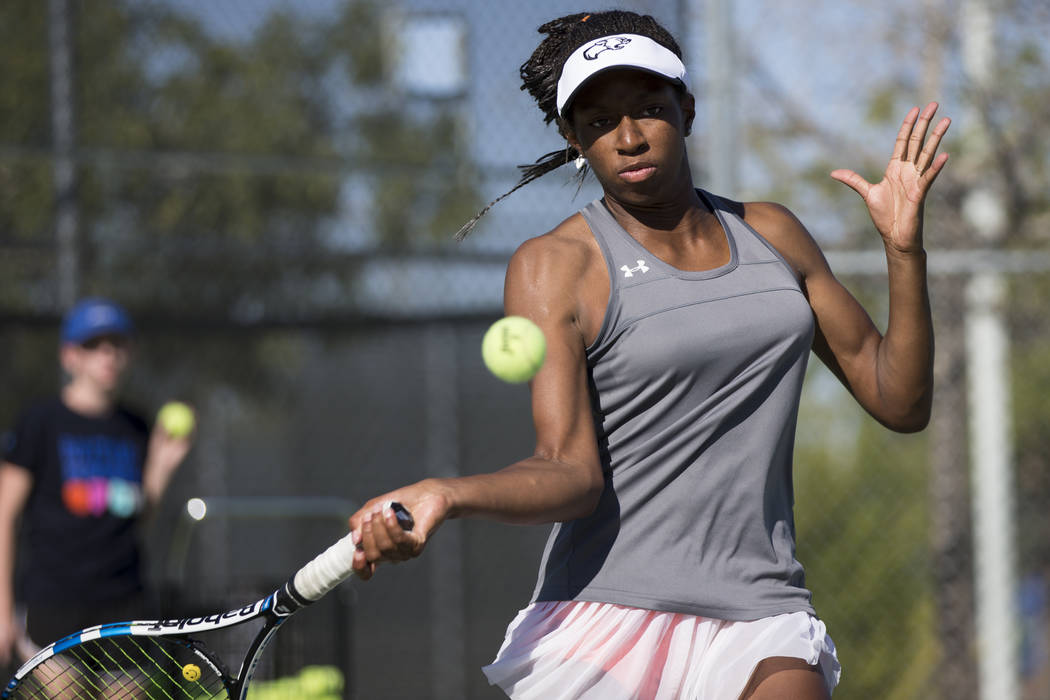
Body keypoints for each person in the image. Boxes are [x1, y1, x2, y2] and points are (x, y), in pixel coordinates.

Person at [347, 10, 949, 699]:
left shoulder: (773, 232)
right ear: (574, 137)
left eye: (649, 110)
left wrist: (904, 252)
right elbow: (568, 472)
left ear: (686, 110)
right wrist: (446, 494)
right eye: (601, 121)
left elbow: (900, 401)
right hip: (606, 615)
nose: (629, 137)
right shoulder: (555, 265)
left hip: (763, 609)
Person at [0, 298, 195, 667]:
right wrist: (1, 610)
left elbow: (135, 519)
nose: (107, 353)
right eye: (93, 345)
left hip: (123, 599)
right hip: (53, 600)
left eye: (117, 343)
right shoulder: (40, 422)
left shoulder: (136, 426)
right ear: (69, 356)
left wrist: (161, 468)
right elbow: (3, 516)